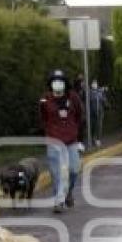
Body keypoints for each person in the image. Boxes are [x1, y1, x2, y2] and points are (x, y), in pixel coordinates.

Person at [40, 69, 85, 213]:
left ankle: (68, 193)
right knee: (56, 173)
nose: (57, 84)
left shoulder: (73, 98)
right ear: (51, 84)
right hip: (54, 142)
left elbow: (79, 116)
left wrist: (76, 133)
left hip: (71, 141)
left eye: (60, 81)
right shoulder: (45, 100)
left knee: (73, 170)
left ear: (65, 84)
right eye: (54, 81)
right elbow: (43, 118)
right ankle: (59, 201)